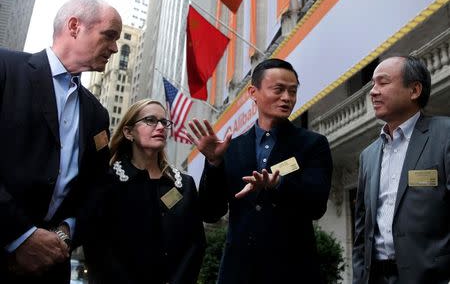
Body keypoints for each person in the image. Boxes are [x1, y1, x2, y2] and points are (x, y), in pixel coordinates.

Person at [0, 0, 122, 283]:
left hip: (52, 265)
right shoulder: (6, 69)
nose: (115, 48)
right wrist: (22, 236)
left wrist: (65, 232)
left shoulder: (97, 114)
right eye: (109, 35)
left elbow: (97, 187)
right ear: (74, 26)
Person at [188, 58, 333, 283]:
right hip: (239, 272)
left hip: (294, 270)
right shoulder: (231, 148)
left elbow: (317, 205)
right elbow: (210, 211)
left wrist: (278, 185)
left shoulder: (312, 144)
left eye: (292, 91)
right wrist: (214, 163)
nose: (287, 98)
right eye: (279, 89)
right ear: (253, 92)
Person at [81, 99, 206, 284]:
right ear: (128, 132)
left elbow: (195, 245)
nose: (160, 127)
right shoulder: (107, 181)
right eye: (150, 120)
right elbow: (96, 247)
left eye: (164, 122)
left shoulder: (184, 185)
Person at [352, 55, 450, 284]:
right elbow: (361, 232)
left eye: (383, 83)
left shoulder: (444, 135)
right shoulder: (368, 155)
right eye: (372, 84)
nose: (373, 92)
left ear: (414, 90)